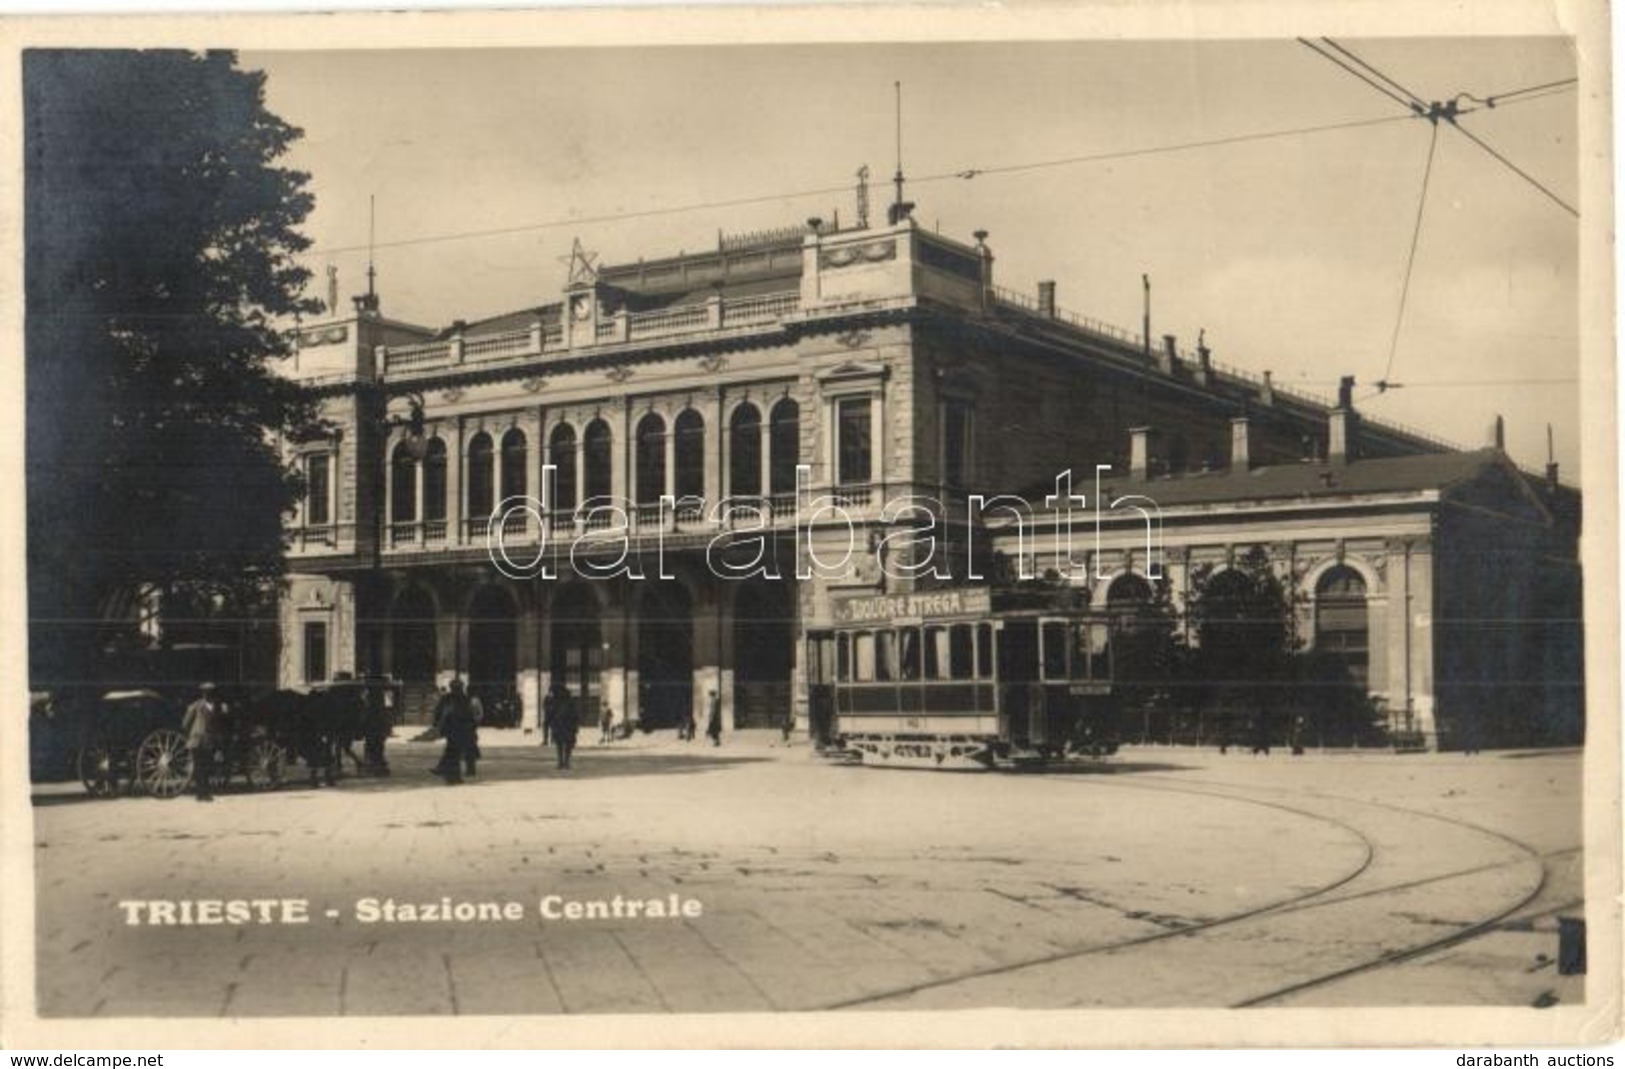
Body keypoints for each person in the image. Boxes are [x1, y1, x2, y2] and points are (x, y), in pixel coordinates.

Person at [182, 682, 223, 802]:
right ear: (203, 693)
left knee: (206, 767)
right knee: (200, 767)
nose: (208, 694)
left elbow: (216, 725)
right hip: (197, 740)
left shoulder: (216, 707)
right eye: (206, 692)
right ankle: (201, 793)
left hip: (208, 741)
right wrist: (191, 735)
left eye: (211, 692)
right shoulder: (196, 706)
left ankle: (204, 793)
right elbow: (185, 723)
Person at [431, 679, 475, 785]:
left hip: (451, 728)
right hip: (459, 729)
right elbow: (469, 714)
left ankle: (449, 774)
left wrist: (436, 724)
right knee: (455, 752)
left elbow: (438, 712)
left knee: (453, 752)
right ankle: (450, 775)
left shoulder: (447, 698)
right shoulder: (464, 698)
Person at [552, 688, 579, 770]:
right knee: (567, 747)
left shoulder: (557, 703)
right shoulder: (571, 703)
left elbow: (553, 716)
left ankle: (561, 762)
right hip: (568, 728)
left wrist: (554, 728)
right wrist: (575, 727)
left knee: (560, 747)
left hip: (560, 728)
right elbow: (576, 716)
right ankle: (565, 762)